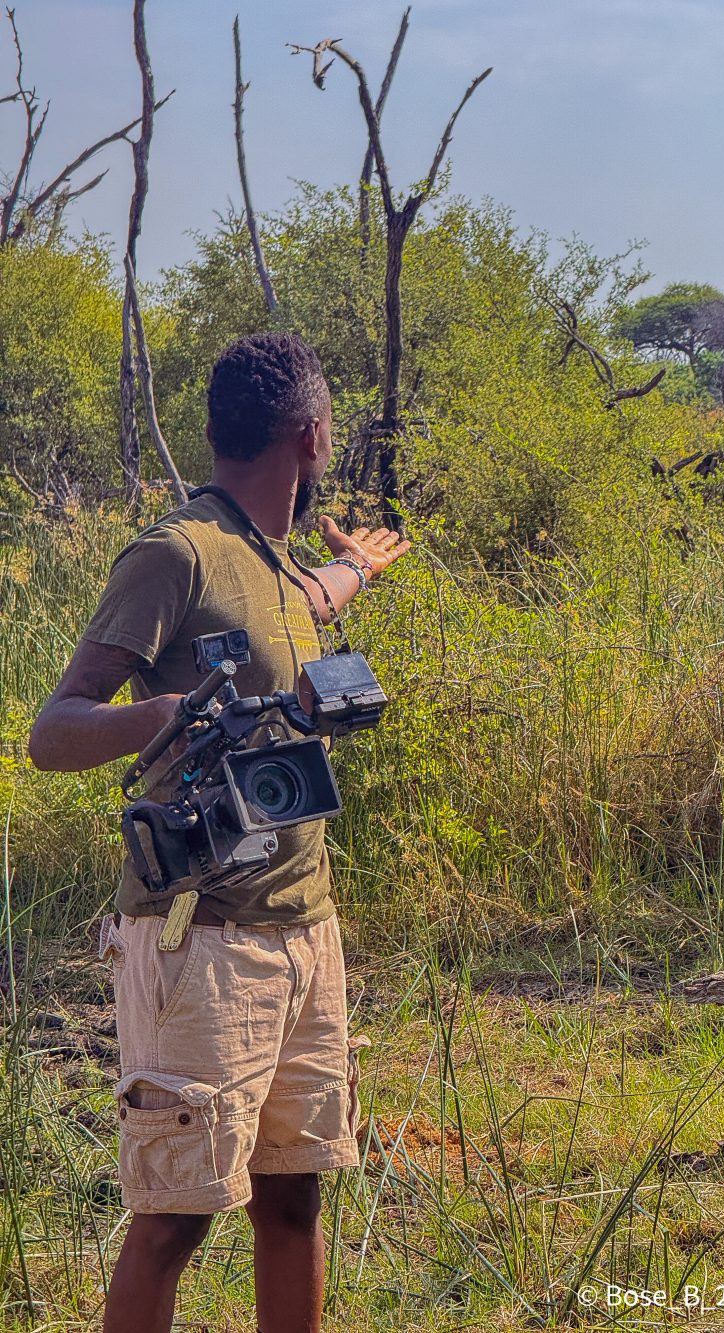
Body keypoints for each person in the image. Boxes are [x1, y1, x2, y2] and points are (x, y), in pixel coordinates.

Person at [29, 332, 411, 1333]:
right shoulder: (176, 551)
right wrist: (157, 718)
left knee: (295, 1196)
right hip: (202, 938)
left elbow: (299, 603)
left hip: (304, 931)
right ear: (315, 438)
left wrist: (353, 575)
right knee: (174, 1220)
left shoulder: (277, 562)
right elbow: (52, 730)